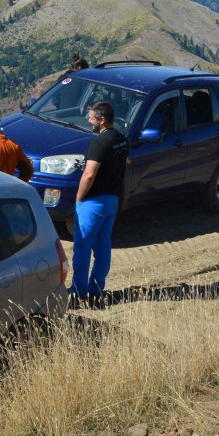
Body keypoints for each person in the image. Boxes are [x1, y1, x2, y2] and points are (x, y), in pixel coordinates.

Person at [71, 100, 129, 306]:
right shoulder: (121, 140)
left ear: (102, 120)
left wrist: (78, 198)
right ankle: (96, 289)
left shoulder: (99, 143)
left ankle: (78, 292)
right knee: (103, 245)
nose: (89, 120)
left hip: (92, 203)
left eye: (92, 117)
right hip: (111, 200)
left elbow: (89, 174)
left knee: (83, 247)